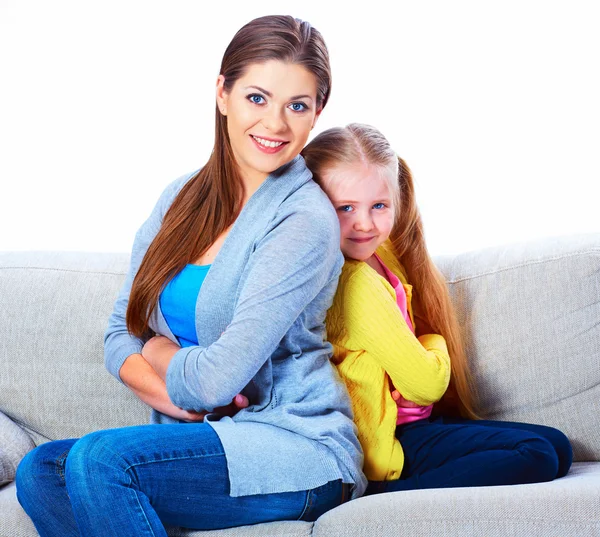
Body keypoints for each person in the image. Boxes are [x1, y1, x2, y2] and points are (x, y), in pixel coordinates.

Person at [15, 16, 367, 536]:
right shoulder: (180, 199)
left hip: (294, 446)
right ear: (222, 93)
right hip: (209, 439)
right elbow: (119, 332)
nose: (274, 124)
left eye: (297, 105)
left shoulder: (304, 220)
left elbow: (217, 381)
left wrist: (157, 351)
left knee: (102, 461)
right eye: (257, 97)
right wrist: (176, 399)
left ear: (316, 114)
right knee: (41, 471)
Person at [301, 123, 573, 493]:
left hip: (412, 423)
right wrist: (432, 342)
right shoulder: (354, 282)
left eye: (378, 206)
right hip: (386, 443)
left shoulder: (378, 256)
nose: (364, 223)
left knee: (557, 445)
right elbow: (426, 384)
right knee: (538, 453)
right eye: (344, 208)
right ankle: (378, 496)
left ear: (397, 200)